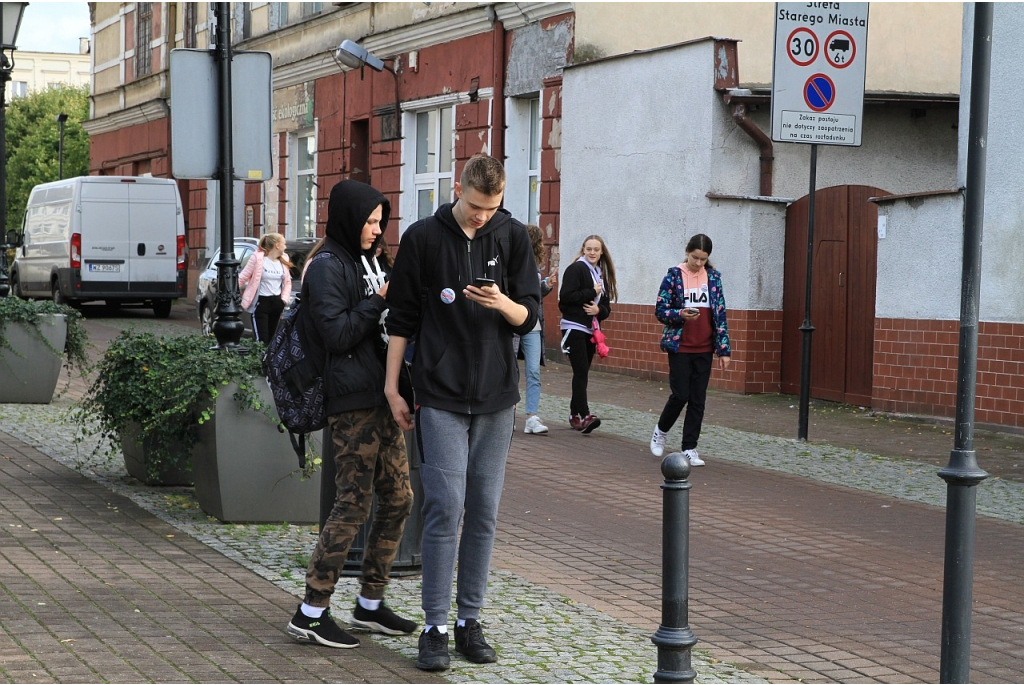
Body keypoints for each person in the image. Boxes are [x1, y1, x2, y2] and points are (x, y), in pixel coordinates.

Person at [384, 154, 540, 671]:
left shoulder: (512, 236)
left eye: (491, 208)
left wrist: (503, 305)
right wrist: (393, 388)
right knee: (445, 506)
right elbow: (401, 319)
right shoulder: (423, 238)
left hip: (496, 397)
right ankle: (434, 626)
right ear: (457, 190)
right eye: (475, 206)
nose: (481, 216)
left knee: (485, 512)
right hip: (440, 392)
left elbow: (530, 317)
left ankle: (471, 620)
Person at [285, 180, 417, 649]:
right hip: (351, 401)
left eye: (381, 222)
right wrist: (377, 300)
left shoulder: (373, 260)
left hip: (382, 396)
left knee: (399, 497)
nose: (376, 230)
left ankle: (370, 603)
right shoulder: (325, 267)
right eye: (370, 221)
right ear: (348, 218)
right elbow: (338, 334)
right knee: (353, 503)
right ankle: (311, 610)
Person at [649, 233, 732, 466]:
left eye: (703, 259)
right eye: (695, 257)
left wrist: (724, 350)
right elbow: (660, 310)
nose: (698, 263)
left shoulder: (713, 278)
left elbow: (720, 316)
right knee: (680, 395)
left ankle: (689, 448)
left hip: (704, 347)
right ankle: (661, 431)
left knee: (698, 399)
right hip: (681, 345)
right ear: (687, 252)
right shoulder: (674, 276)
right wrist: (679, 314)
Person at [558, 234, 617, 434]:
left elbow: (606, 307)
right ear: (584, 249)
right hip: (573, 327)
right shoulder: (576, 269)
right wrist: (591, 292)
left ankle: (575, 415)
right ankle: (585, 415)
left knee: (581, 373)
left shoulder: (599, 275)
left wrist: (598, 311)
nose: (592, 252)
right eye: (589, 248)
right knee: (581, 371)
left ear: (601, 253)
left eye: (596, 249)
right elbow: (565, 299)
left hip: (591, 331)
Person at [518, 224, 557, 435]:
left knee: (533, 371)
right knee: (509, 371)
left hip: (533, 325)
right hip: (512, 324)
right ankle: (507, 413)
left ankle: (531, 417)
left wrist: (546, 285)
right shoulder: (512, 261)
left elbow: (533, 296)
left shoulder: (534, 266)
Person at [238, 232, 292, 343]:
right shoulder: (257, 258)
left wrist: (283, 300)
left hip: (277, 303)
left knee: (273, 340)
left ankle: (269, 360)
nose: (285, 247)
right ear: (277, 245)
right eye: (284, 244)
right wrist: (230, 291)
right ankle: (261, 360)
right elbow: (243, 277)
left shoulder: (284, 259)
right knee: (262, 340)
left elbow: (287, 282)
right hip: (261, 303)